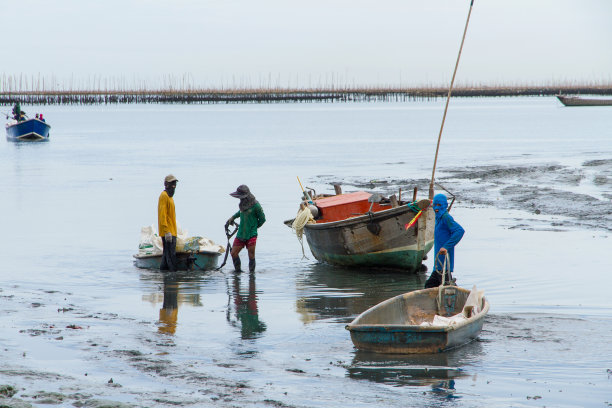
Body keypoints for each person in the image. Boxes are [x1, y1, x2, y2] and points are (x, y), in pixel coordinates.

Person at [424, 193, 465, 288]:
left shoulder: (446, 217)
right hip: (438, 266)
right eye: (434, 205)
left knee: (449, 289)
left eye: (439, 205)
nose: (436, 208)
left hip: (445, 266)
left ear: (445, 206)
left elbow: (459, 231)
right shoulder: (438, 219)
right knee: (429, 286)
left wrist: (446, 246)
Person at [225, 185, 266, 272]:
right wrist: (232, 218)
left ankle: (251, 275)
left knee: (251, 255)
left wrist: (254, 227)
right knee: (233, 253)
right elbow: (241, 212)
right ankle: (238, 272)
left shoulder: (256, 206)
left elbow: (262, 219)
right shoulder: (243, 204)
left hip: (251, 234)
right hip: (241, 233)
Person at [158, 174, 178, 272]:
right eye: (171, 183)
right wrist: (166, 232)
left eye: (174, 183)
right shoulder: (164, 196)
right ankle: (172, 276)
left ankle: (164, 274)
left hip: (173, 231)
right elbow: (162, 215)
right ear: (166, 184)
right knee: (170, 256)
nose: (173, 186)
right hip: (168, 232)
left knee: (167, 255)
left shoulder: (170, 197)